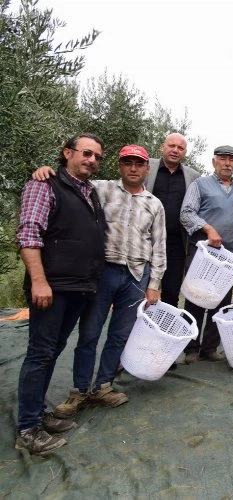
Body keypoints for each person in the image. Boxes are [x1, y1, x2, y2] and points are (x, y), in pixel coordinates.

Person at [32, 146, 166, 417]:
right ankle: (79, 390)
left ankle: (103, 385)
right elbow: (70, 182)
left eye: (138, 164)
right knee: (90, 333)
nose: (133, 168)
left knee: (119, 335)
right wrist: (47, 172)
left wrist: (155, 283)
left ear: (146, 169)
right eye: (127, 163)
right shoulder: (100, 189)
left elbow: (159, 245)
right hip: (102, 273)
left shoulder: (154, 203)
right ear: (119, 166)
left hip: (136, 276)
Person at [15, 133, 107, 454]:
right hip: (51, 287)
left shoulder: (91, 192)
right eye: (85, 153)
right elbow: (29, 234)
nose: (91, 160)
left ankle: (38, 415)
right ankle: (28, 428)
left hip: (78, 287)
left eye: (97, 156)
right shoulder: (44, 185)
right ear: (67, 153)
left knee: (52, 351)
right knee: (40, 354)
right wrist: (39, 281)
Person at [179, 145, 233, 364]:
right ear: (214, 161)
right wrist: (208, 229)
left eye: (231, 160)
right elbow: (186, 213)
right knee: (197, 298)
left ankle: (210, 347)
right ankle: (191, 348)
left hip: (226, 257)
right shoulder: (200, 185)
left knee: (221, 301)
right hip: (203, 252)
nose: (227, 163)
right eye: (223, 159)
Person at [145, 133, 200, 307]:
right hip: (145, 240)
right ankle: (137, 331)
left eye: (180, 148)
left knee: (171, 293)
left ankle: (165, 331)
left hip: (176, 244)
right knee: (140, 290)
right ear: (163, 146)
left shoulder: (193, 176)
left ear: (185, 152)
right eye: (171, 146)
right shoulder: (147, 166)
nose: (175, 150)